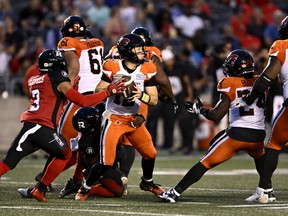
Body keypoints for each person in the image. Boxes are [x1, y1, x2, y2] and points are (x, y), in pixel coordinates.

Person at [0, 49, 125, 202]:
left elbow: (55, 99)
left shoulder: (34, 79)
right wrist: (108, 92)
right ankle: (40, 189)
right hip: (42, 127)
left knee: (8, 163)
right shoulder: (57, 78)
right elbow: (83, 101)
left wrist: (70, 86)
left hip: (31, 126)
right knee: (65, 154)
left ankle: (39, 189)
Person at [158, 49, 267, 203]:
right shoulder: (261, 81)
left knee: (205, 162)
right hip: (258, 134)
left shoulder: (229, 82)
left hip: (237, 135)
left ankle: (174, 192)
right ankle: (267, 190)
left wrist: (200, 109)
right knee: (260, 157)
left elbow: (216, 115)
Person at [75, 33, 164, 201]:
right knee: (106, 162)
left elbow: (153, 99)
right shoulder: (111, 66)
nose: (142, 52)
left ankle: (147, 182)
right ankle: (85, 188)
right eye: (138, 49)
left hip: (133, 119)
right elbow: (98, 91)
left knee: (150, 153)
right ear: (128, 51)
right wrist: (112, 89)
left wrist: (140, 95)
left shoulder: (148, 68)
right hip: (114, 118)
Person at [30, 15, 105, 198]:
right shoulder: (98, 42)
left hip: (81, 97)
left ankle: (42, 184)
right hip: (99, 98)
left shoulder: (67, 42)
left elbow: (74, 66)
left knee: (62, 143)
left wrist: (67, 87)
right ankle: (78, 179)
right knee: (85, 143)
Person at [235, 16, 288, 203]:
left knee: (274, 144)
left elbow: (267, 77)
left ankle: (264, 189)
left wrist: (249, 99)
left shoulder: (282, 45)